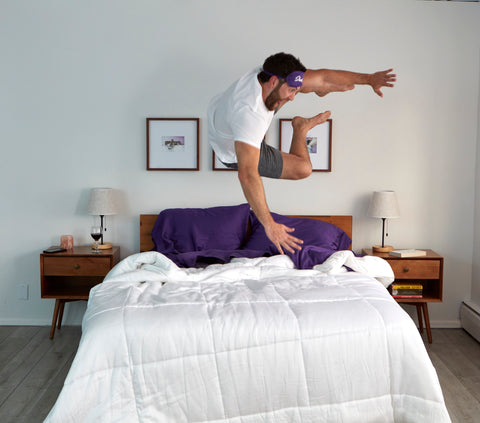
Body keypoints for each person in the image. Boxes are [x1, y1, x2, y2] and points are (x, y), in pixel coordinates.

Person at [207, 52, 396, 255]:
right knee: (303, 169)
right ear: (272, 81)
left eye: (297, 90)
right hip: (230, 151)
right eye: (291, 90)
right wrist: (270, 225)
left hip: (226, 116)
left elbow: (324, 77)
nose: (293, 96)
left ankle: (306, 108)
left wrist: (368, 79)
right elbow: (247, 174)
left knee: (309, 86)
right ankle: (301, 128)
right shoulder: (249, 114)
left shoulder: (269, 75)